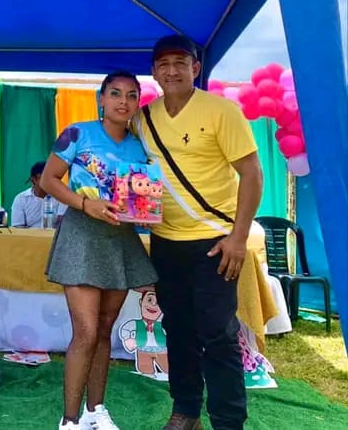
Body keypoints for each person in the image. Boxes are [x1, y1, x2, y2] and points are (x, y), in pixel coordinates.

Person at [134, 34, 263, 430]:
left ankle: (228, 420)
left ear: (195, 68)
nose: (171, 71)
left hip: (215, 244)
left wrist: (238, 238)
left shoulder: (222, 111)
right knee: (177, 329)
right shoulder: (143, 118)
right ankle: (186, 411)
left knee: (218, 333)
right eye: (163, 64)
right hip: (165, 243)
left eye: (180, 63)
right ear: (154, 72)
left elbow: (252, 174)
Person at [40, 71, 159, 430]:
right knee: (87, 332)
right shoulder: (77, 133)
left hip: (121, 240)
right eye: (116, 93)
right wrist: (83, 203)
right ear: (101, 99)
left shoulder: (141, 147)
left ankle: (96, 411)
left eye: (132, 95)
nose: (124, 101)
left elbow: (145, 194)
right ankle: (69, 420)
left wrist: (147, 211)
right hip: (81, 236)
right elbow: (48, 181)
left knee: (105, 328)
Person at [10, 161, 67, 228]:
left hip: (55, 234)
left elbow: (62, 225)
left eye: (51, 179)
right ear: (33, 180)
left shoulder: (61, 197)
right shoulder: (21, 199)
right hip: (29, 234)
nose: (49, 182)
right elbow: (18, 228)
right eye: (45, 179)